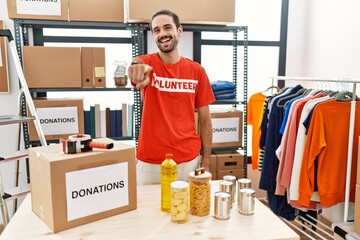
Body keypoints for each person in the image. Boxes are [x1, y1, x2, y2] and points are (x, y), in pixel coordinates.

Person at [127, 9, 215, 185]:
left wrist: (205, 160)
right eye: (157, 30)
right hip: (150, 162)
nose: (162, 34)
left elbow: (205, 121)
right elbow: (137, 65)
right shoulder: (148, 63)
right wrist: (136, 70)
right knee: (147, 212)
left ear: (179, 31)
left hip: (188, 161)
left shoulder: (197, 71)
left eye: (167, 28)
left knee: (185, 211)